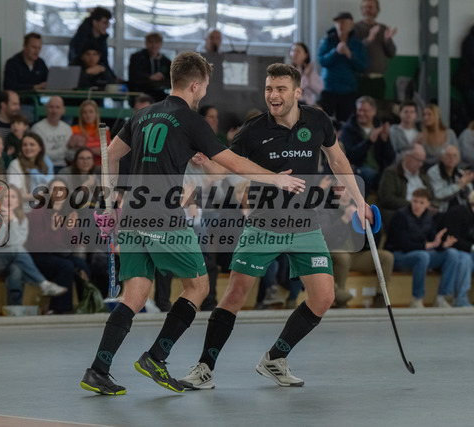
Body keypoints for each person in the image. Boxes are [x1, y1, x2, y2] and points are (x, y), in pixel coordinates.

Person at [79, 52, 306, 396]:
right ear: (196, 85)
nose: (205, 93)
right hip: (163, 215)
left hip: (132, 213)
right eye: (206, 86)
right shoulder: (190, 119)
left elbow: (110, 155)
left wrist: (110, 201)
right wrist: (276, 179)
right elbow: (233, 163)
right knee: (198, 287)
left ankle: (98, 370)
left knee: (135, 295)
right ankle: (156, 356)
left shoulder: (141, 114)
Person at [179, 63, 373, 391]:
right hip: (263, 224)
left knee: (324, 297)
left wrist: (360, 201)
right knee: (235, 293)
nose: (273, 95)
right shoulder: (252, 130)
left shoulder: (318, 121)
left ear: (297, 92)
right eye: (269, 89)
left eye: (280, 89)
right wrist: (204, 163)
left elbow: (338, 161)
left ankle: (275, 358)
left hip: (305, 224)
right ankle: (204, 367)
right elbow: (222, 171)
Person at [0, 185, 67, 305]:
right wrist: (3, 225)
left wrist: (13, 221)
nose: (9, 200)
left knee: (16, 269)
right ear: (0, 199)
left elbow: (17, 243)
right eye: (6, 196)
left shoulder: (22, 219)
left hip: (11, 259)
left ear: (18, 202)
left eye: (13, 197)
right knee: (17, 250)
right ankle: (43, 284)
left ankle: (15, 309)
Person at [386, 188, 471, 308]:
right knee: (423, 256)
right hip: (398, 255)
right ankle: (417, 298)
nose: (417, 205)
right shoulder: (400, 216)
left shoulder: (428, 218)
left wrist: (443, 245)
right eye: (415, 201)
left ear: (428, 204)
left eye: (421, 202)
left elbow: (434, 241)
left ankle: (442, 297)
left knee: (452, 253)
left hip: (420, 253)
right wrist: (427, 246)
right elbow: (402, 244)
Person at [26, 179, 92, 314]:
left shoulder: (68, 211)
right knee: (66, 266)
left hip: (61, 254)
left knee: (82, 266)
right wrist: (52, 229)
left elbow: (73, 244)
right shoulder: (38, 212)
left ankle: (86, 306)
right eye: (54, 189)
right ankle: (59, 309)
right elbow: (36, 244)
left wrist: (71, 229)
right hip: (40, 256)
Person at [317, 12, 368, 122]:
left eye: (344, 22)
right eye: (338, 22)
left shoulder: (357, 44)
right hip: (329, 89)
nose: (341, 25)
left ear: (351, 25)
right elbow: (322, 61)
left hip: (348, 91)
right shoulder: (327, 40)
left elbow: (362, 66)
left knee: (346, 123)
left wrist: (350, 55)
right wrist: (335, 52)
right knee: (324, 122)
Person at [339, 95, 395, 192]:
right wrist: (369, 142)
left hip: (379, 169)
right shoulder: (348, 130)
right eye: (359, 110)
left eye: (365, 111)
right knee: (370, 175)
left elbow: (390, 157)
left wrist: (385, 141)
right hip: (357, 169)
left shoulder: (380, 128)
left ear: (374, 112)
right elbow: (349, 155)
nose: (361, 114)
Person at [378, 144, 434, 228]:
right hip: (400, 212)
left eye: (422, 161)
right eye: (418, 160)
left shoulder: (422, 174)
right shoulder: (391, 173)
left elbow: (431, 194)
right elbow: (387, 199)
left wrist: (429, 205)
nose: (421, 164)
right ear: (407, 157)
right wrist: (413, 205)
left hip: (424, 213)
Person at [353, 0, 397, 100]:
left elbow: (391, 53)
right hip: (361, 79)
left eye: (370, 7)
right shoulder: (356, 28)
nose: (367, 10)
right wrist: (369, 39)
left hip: (379, 79)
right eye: (364, 7)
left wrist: (387, 40)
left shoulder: (383, 28)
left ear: (377, 10)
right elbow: (355, 51)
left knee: (379, 107)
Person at [7, 132, 54, 213]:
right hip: (24, 210)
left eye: (32, 145)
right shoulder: (15, 164)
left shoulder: (46, 164)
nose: (28, 147)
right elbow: (16, 194)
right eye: (24, 145)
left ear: (40, 148)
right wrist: (39, 196)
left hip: (44, 209)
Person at [68, 6, 115, 80]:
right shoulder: (80, 40)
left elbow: (104, 62)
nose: (107, 26)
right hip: (81, 79)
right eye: (104, 23)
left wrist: (113, 78)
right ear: (95, 22)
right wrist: (86, 72)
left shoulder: (102, 38)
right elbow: (73, 64)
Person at [30, 96, 72, 172]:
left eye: (57, 107)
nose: (54, 111)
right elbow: (43, 155)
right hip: (43, 167)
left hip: (63, 167)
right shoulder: (37, 128)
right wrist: (66, 148)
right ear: (46, 109)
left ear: (63, 110)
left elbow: (69, 156)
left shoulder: (67, 129)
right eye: (51, 107)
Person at [427, 145, 474, 213]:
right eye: (448, 155)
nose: (452, 158)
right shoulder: (433, 172)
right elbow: (439, 195)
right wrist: (459, 185)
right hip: (441, 211)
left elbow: (469, 197)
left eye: (455, 156)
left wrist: (466, 184)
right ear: (441, 157)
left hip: (460, 209)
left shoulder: (460, 172)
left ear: (458, 159)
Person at [128, 32, 172, 102]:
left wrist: (163, 76)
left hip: (160, 93)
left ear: (160, 44)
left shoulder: (165, 61)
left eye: (156, 43)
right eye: (151, 42)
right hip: (141, 92)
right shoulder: (137, 57)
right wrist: (149, 77)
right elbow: (134, 75)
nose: (154, 46)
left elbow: (172, 75)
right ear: (146, 44)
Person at [69, 100, 110, 166]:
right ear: (81, 115)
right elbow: (70, 153)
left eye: (91, 112)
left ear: (96, 113)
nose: (88, 115)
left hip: (100, 166)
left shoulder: (104, 131)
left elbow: (108, 153)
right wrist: (92, 150)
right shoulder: (73, 130)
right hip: (79, 166)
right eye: (85, 112)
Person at [289, 42, 323, 106]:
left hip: (308, 104)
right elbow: (295, 91)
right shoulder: (288, 71)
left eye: (298, 51)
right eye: (293, 51)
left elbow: (319, 89)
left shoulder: (309, 70)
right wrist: (306, 76)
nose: (294, 53)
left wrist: (309, 77)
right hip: (295, 104)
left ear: (305, 55)